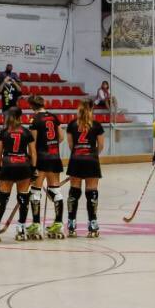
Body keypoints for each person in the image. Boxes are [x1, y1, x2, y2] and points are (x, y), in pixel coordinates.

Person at [0, 106, 35, 242]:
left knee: (3, 197)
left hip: (8, 166)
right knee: (23, 198)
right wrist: (33, 169)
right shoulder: (26, 132)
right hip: (23, 166)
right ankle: (21, 228)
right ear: (20, 117)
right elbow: (33, 153)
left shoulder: (3, 132)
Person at [64, 100, 105, 238]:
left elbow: (70, 145)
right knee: (92, 192)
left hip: (76, 159)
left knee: (74, 192)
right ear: (92, 109)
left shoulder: (72, 124)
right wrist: (92, 154)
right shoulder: (96, 125)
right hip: (91, 160)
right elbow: (101, 145)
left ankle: (71, 223)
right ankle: (92, 223)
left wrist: (78, 153)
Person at [28, 95, 65, 239]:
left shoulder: (35, 120)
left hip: (41, 158)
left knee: (35, 191)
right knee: (55, 190)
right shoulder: (54, 117)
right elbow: (61, 137)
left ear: (32, 106)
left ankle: (36, 224)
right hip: (54, 157)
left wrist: (32, 162)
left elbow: (32, 143)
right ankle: (59, 223)